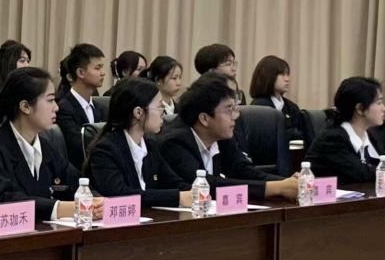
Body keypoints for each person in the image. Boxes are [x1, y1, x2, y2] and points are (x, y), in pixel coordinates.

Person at [0, 67, 101, 223]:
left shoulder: (47, 146)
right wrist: (63, 208)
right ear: (25, 106)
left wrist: (96, 201)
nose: (56, 107)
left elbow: (77, 182)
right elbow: (2, 200)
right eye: (50, 100)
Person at [161, 74, 298, 201]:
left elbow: (241, 170)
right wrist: (274, 188)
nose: (235, 116)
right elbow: (207, 185)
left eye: (235, 108)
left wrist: (285, 182)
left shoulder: (220, 135)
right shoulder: (174, 142)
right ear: (204, 118)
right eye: (228, 109)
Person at [85, 78, 192, 207]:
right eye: (159, 106)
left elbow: (173, 182)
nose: (163, 112)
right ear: (138, 112)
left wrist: (196, 192)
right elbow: (119, 195)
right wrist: (177, 197)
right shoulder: (106, 149)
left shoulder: (150, 145)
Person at [307, 77, 385, 184]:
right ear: (360, 109)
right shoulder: (332, 139)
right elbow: (362, 174)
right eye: (379, 103)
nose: (384, 108)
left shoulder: (370, 135)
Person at [55, 43, 107, 169]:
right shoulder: (64, 108)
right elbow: (79, 147)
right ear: (81, 72)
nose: (103, 73)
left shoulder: (101, 108)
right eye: (97, 68)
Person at [249, 55, 310, 144]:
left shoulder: (291, 107)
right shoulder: (259, 107)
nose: (287, 79)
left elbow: (302, 137)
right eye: (282, 74)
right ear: (268, 76)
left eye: (287, 74)